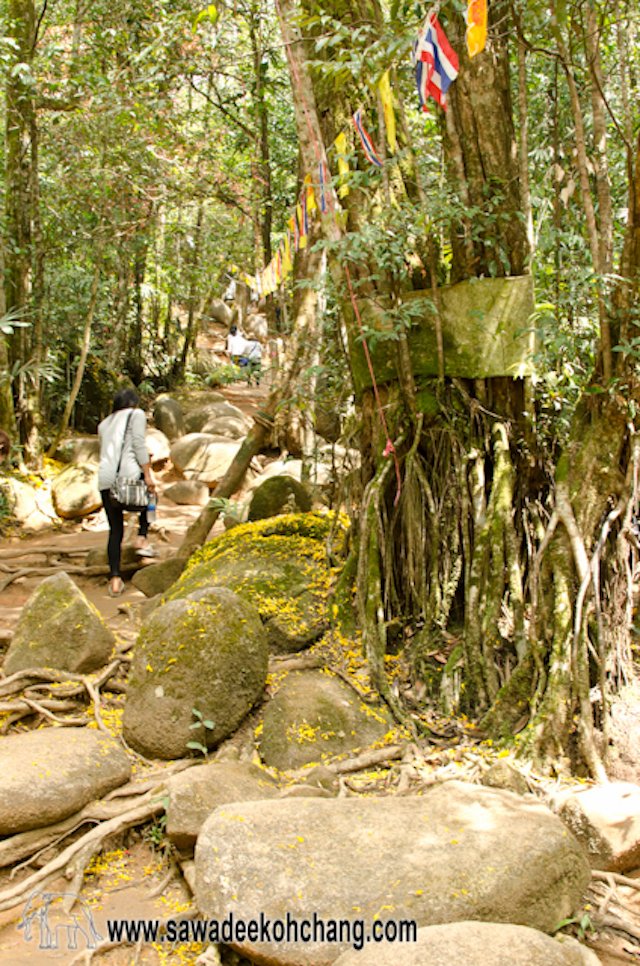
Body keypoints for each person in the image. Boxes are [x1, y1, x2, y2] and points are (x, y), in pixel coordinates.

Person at [98, 388, 157, 597]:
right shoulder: (136, 414)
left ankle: (115, 580)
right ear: (133, 402)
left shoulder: (104, 424)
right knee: (151, 495)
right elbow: (139, 444)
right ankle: (142, 537)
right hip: (129, 476)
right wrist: (148, 475)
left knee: (115, 530)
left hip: (105, 480)